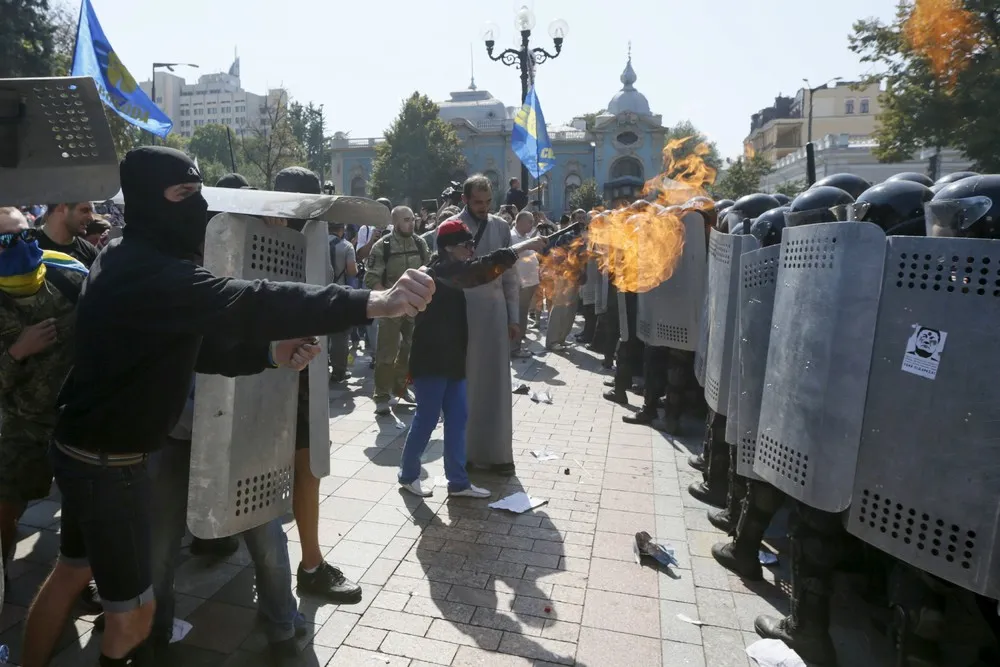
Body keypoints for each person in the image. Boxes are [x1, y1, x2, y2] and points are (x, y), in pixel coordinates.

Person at [19, 147, 435, 667]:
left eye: (200, 194)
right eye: (183, 195)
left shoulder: (131, 257)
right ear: (150, 201)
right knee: (133, 617)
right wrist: (373, 302)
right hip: (109, 468)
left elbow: (194, 343)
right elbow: (249, 299)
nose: (196, 208)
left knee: (70, 575)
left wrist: (269, 352)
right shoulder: (145, 269)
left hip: (85, 451)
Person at [271, 166, 365, 606]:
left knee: (307, 467)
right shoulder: (255, 238)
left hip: (303, 375)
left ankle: (310, 565)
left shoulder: (316, 242)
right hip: (256, 375)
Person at [399, 220, 545, 498]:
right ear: (449, 248)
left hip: (453, 357)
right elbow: (481, 270)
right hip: (430, 359)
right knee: (427, 419)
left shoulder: (452, 270)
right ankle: (408, 475)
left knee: (458, 418)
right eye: (466, 245)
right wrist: (525, 245)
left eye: (472, 244)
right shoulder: (438, 272)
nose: (471, 249)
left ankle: (458, 482)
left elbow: (479, 270)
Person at [0, 208, 88, 594]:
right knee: (6, 512)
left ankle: (79, 580)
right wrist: (16, 352)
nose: (21, 246)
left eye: (26, 235)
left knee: (82, 515)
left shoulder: (67, 276)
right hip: (17, 429)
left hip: (74, 422)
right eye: (6, 240)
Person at [457, 175, 520, 476]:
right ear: (465, 200)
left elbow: (510, 276)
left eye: (487, 202)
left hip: (495, 314)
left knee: (497, 383)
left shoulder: (502, 227)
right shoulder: (452, 229)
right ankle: (466, 454)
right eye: (477, 202)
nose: (483, 208)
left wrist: (514, 316)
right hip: (464, 314)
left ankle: (499, 455)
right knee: (467, 384)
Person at [364, 206, 430, 415]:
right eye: (406, 220)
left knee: (409, 350)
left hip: (414, 307)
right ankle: (382, 395)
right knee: (386, 352)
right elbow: (371, 277)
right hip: (390, 307)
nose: (411, 223)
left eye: (412, 219)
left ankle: (400, 387)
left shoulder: (420, 244)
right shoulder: (382, 246)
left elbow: (428, 270)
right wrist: (387, 300)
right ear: (395, 222)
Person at [328, 221, 357, 383]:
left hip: (316, 290)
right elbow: (352, 270)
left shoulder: (316, 243)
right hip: (339, 294)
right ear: (342, 228)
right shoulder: (346, 246)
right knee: (340, 336)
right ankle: (339, 371)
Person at [509, 211, 539, 358]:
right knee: (518, 315)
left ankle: (519, 341)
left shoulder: (526, 237)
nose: (532, 224)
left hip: (529, 283)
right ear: (519, 221)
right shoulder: (512, 237)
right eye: (529, 221)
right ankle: (515, 348)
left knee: (523, 314)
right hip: (520, 284)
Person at [37, 201, 100, 267]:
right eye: (85, 211)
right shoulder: (28, 245)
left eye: (91, 212)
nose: (91, 218)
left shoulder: (90, 253)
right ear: (61, 208)